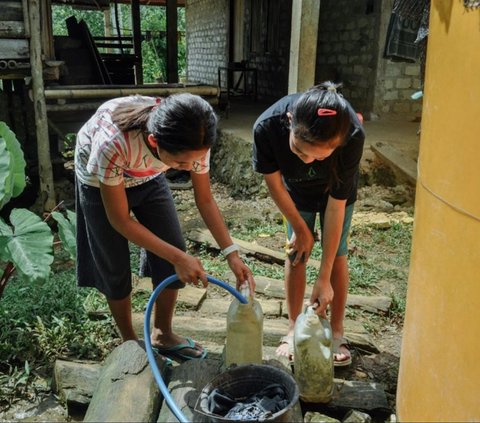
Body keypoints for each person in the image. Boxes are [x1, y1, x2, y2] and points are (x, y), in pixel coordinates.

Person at [75, 93, 255, 361]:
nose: (189, 167)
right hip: (97, 181)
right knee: (114, 266)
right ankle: (130, 342)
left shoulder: (196, 135)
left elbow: (204, 199)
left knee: (173, 250)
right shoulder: (112, 143)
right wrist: (179, 258)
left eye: (194, 161)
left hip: (148, 176)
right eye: (181, 163)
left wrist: (231, 252)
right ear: (153, 141)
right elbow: (120, 220)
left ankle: (162, 333)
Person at [252, 82, 365, 366]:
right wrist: (301, 231)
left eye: (320, 155)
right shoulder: (266, 127)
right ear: (289, 123)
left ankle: (337, 332)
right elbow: (274, 184)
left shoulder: (351, 134)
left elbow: (336, 204)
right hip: (294, 192)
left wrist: (323, 278)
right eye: (301, 151)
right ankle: (292, 327)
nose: (309, 160)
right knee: (296, 252)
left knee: (337, 253)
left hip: (336, 192)